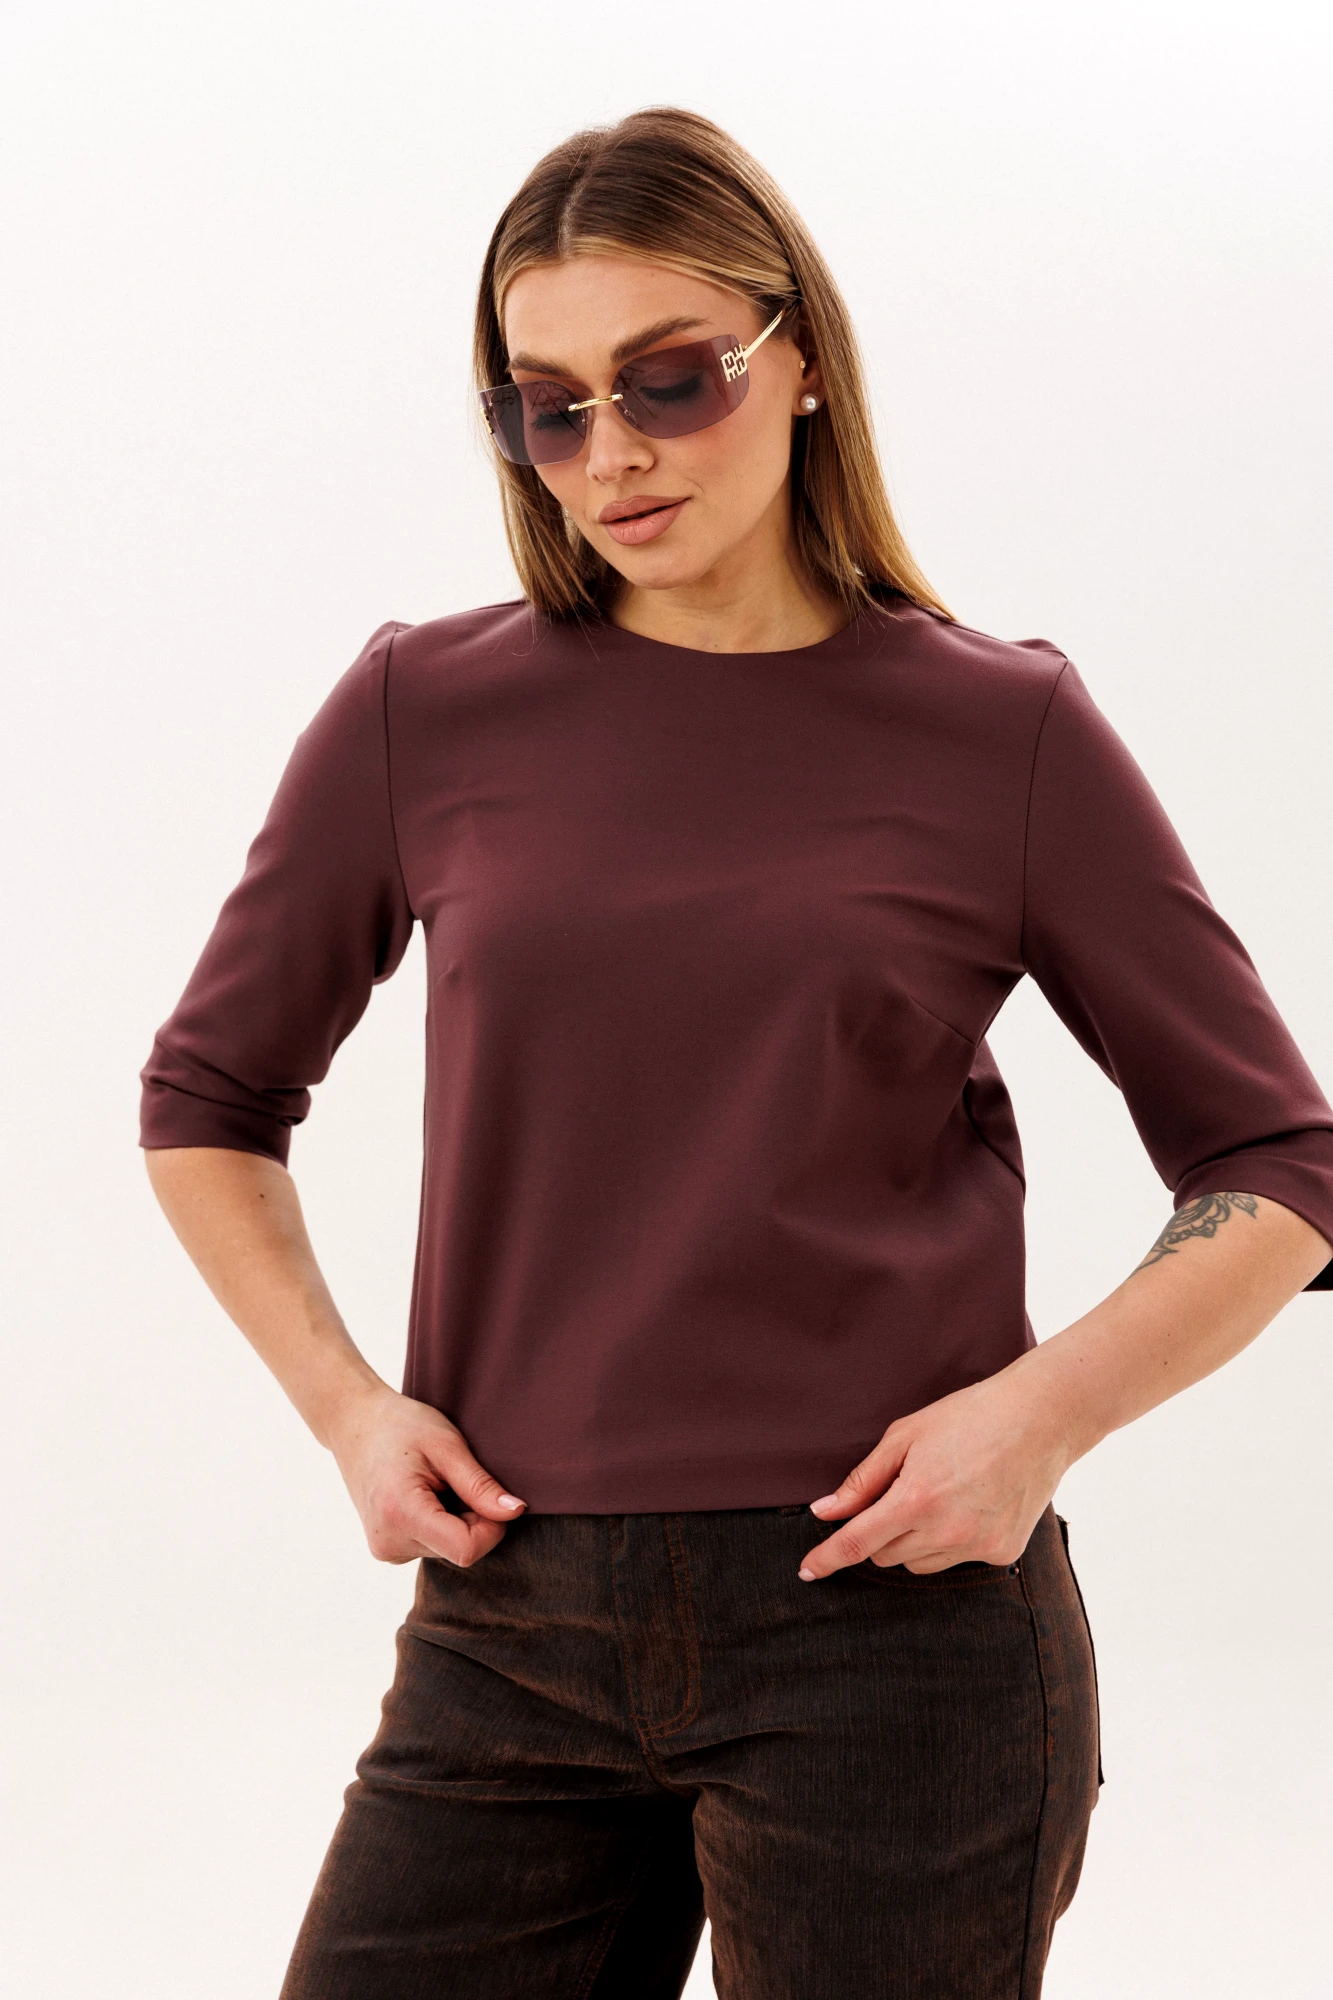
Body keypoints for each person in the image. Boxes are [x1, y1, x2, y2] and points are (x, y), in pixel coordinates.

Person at [139, 107, 1333, 2000]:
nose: (610, 453)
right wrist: (351, 1411)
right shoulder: (418, 710)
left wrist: (1037, 1420)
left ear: (800, 364)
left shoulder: (999, 730)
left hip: (892, 1630)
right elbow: (209, 1099)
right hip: (509, 1623)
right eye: (546, 407)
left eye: (669, 380)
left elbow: (1278, 1160)